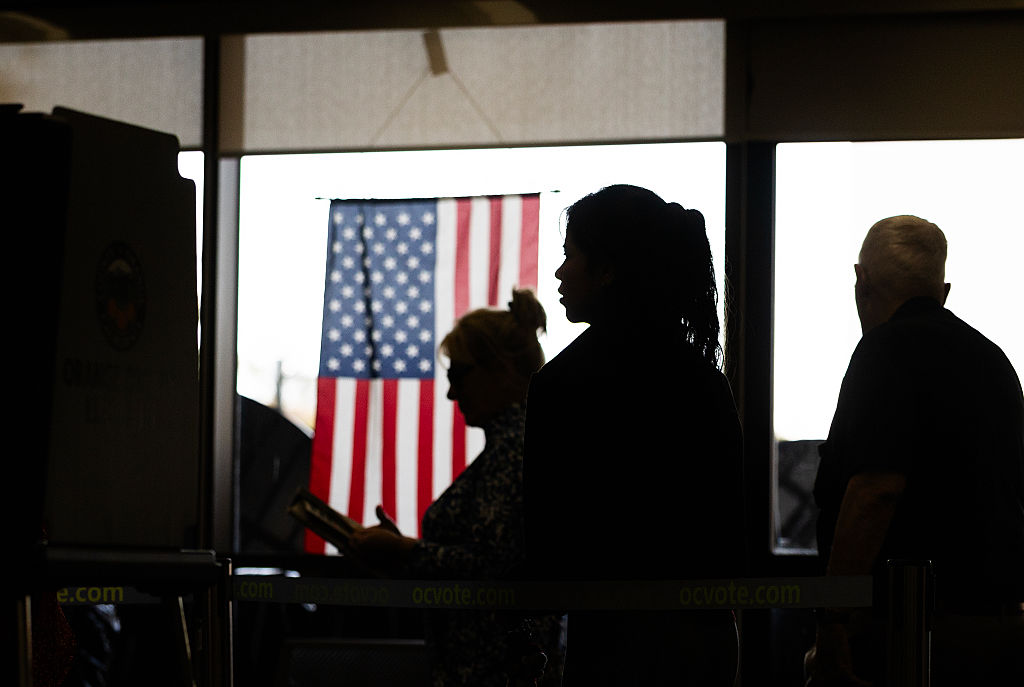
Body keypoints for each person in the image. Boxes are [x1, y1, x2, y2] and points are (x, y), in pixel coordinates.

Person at [522, 184, 746, 685]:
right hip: (701, 642)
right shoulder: (705, 380)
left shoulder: (562, 384)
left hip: (608, 646)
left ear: (607, 271)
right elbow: (728, 531)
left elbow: (547, 547)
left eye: (569, 255)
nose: (559, 272)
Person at [807, 215, 1024, 686]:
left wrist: (833, 622)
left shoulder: (884, 352)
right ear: (942, 292)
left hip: (910, 631)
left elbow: (874, 492)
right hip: (999, 628)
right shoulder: (995, 362)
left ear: (860, 281)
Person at [346, 288, 565, 687]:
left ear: (500, 369)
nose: (451, 392)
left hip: (495, 671)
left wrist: (407, 551)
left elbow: (496, 567)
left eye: (458, 375)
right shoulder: (518, 446)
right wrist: (408, 552)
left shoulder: (515, 450)